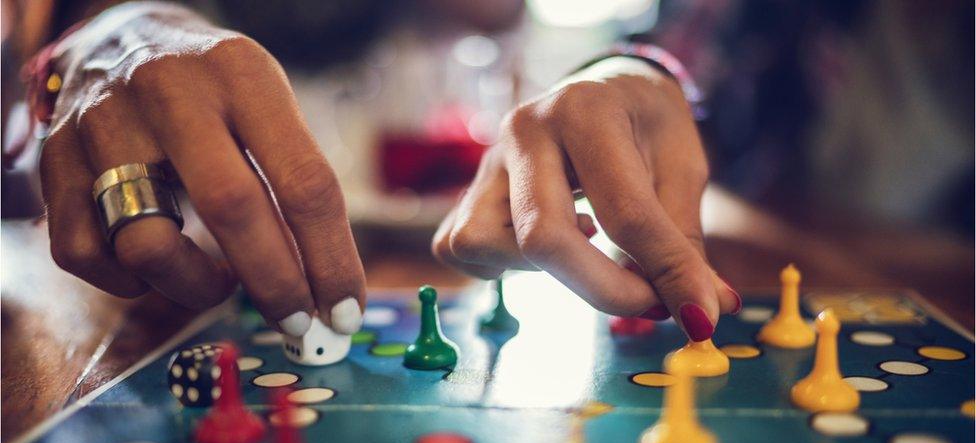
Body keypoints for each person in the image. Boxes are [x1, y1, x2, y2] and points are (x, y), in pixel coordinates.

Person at [3, 1, 751, 344]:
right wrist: (111, 25)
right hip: (143, 297)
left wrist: (631, 69)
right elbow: (41, 68)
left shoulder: (475, 50)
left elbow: (667, 46)